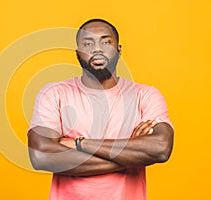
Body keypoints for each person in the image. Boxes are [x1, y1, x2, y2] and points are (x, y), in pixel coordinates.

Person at [27, 18, 174, 200]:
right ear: (78, 53)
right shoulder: (54, 94)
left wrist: (79, 144)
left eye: (106, 41)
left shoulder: (145, 95)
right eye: (88, 43)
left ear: (119, 50)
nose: (97, 49)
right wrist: (132, 152)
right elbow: (41, 157)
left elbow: (160, 148)